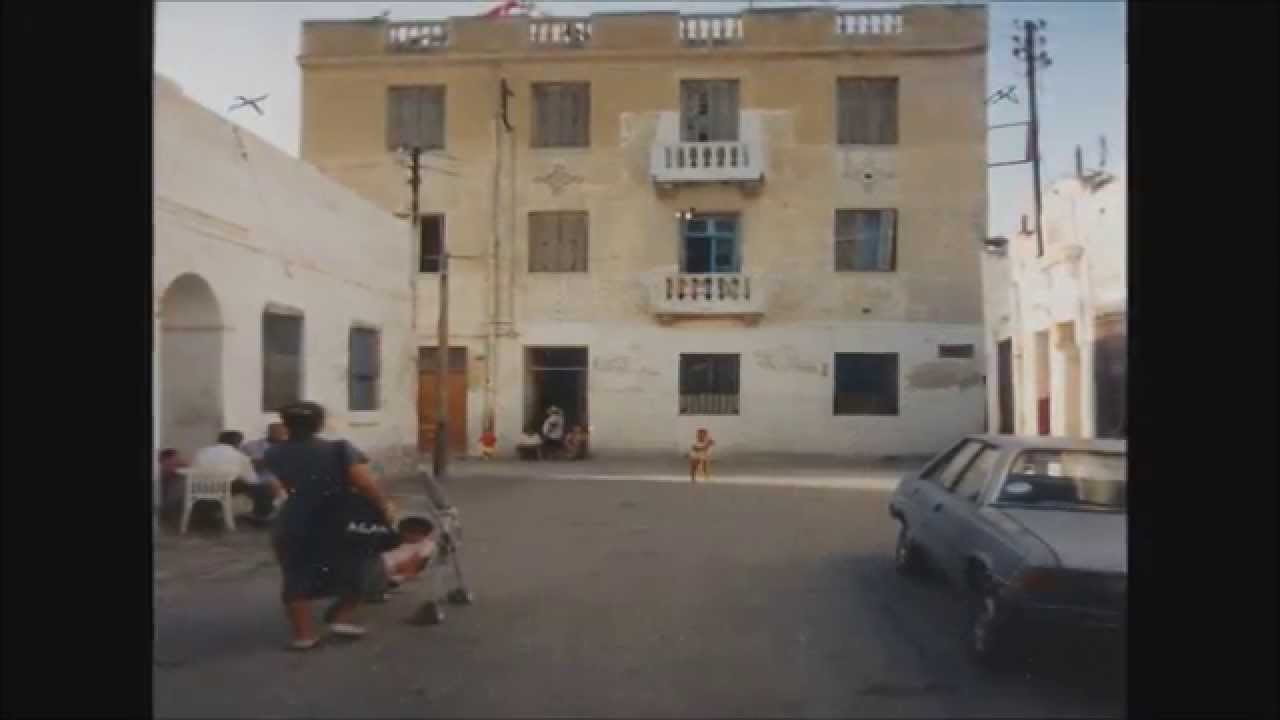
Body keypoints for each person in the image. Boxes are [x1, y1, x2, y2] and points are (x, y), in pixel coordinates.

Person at [265, 401, 396, 650]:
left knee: (296, 574)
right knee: (362, 562)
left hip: (294, 517)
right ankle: (341, 617)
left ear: (286, 424)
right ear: (319, 423)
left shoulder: (273, 453)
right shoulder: (339, 450)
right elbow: (365, 484)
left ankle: (303, 636)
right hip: (336, 517)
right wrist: (384, 507)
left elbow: (282, 482)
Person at [191, 431, 258, 526]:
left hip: (199, 488)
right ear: (238, 443)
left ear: (219, 440)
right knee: (258, 487)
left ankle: (213, 511)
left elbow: (194, 469)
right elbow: (252, 480)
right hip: (225, 489)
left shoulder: (202, 451)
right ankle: (258, 517)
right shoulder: (240, 456)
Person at [241, 423, 289, 520]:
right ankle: (266, 513)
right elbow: (247, 463)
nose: (280, 434)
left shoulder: (291, 446)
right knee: (271, 483)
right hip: (260, 478)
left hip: (285, 478)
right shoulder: (252, 445)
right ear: (268, 432)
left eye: (283, 432)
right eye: (276, 431)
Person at [157, 448, 189, 529]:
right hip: (168, 503)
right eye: (176, 458)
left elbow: (186, 465)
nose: (178, 460)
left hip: (171, 503)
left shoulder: (176, 470)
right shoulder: (162, 471)